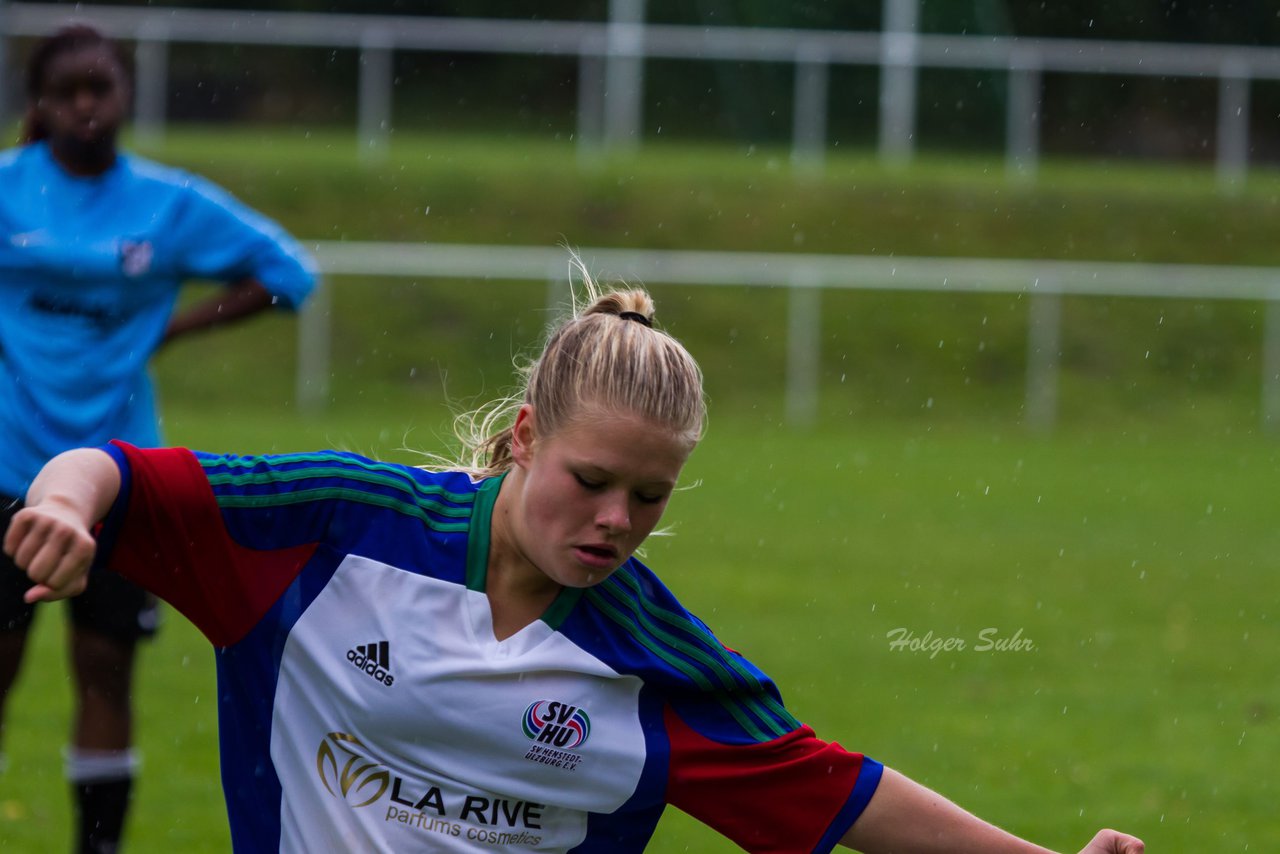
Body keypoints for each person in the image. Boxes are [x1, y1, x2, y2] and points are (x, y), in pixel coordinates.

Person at [4, 273, 1141, 854]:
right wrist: (63, 500)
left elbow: (835, 790)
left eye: (649, 497)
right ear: (523, 439)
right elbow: (120, 469)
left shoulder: (649, 660)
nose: (614, 519)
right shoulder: (337, 529)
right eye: (590, 480)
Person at [0, 23, 316, 854]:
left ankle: (97, 848)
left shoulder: (166, 203)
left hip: (117, 478)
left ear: (126, 95)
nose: (84, 107)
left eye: (99, 89)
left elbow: (289, 273)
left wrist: (171, 329)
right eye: (66, 93)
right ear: (39, 102)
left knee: (105, 669)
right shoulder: (5, 189)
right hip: (6, 466)